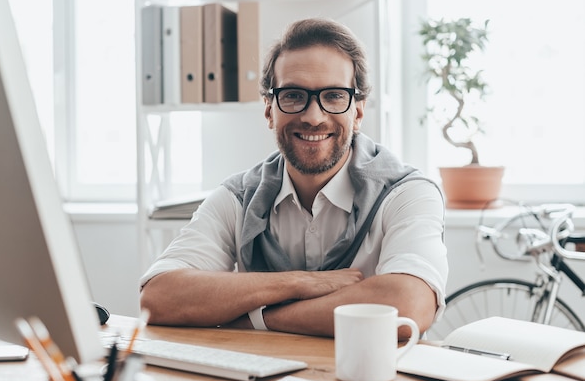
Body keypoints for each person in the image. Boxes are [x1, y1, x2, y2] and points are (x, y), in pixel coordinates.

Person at [140, 18, 448, 338]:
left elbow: (408, 305)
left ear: (357, 112)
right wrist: (301, 282)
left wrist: (258, 319)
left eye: (333, 96)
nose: (313, 117)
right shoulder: (237, 196)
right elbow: (158, 296)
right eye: (292, 95)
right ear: (269, 110)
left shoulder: (408, 194)